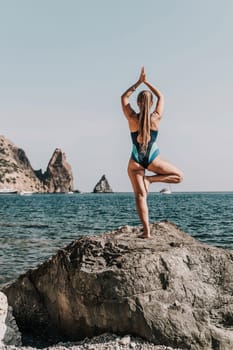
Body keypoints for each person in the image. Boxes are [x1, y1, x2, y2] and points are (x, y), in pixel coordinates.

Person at [121, 67, 183, 238]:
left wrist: (138, 82)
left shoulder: (132, 118)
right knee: (179, 177)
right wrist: (147, 82)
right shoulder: (156, 117)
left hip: (135, 161)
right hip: (153, 158)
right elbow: (161, 96)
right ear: (150, 103)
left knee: (141, 196)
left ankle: (146, 232)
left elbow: (124, 98)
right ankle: (151, 180)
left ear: (139, 103)